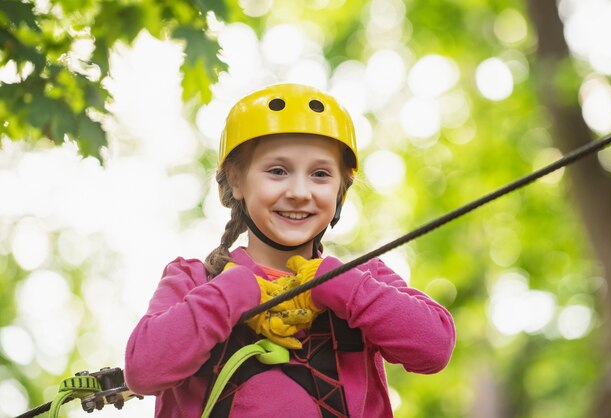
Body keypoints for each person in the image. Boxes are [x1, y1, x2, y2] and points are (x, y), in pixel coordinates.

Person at [124, 83, 456, 418]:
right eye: (278, 171)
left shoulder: (364, 281)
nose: (299, 192)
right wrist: (237, 290)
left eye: (320, 174)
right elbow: (143, 370)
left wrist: (335, 283)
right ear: (236, 180)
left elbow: (434, 348)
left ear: (341, 190)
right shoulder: (194, 280)